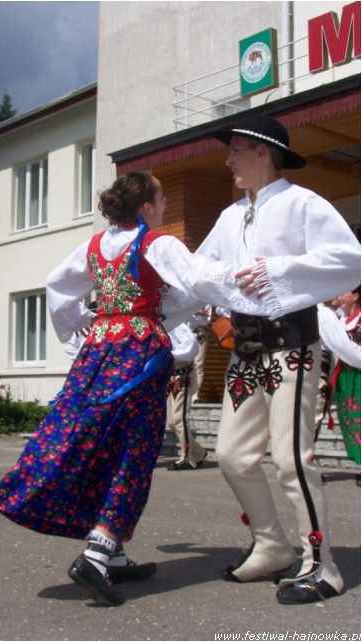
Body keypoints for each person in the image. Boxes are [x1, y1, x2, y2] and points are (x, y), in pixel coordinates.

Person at [0, 171, 268, 607]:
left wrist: (85, 326)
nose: (166, 204)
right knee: (133, 451)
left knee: (96, 440)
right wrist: (250, 279)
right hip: (138, 353)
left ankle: (113, 555)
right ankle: (97, 554)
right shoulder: (156, 243)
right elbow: (199, 278)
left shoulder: (94, 246)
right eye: (162, 197)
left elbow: (57, 285)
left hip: (99, 352)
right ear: (147, 207)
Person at [196, 115, 361, 604]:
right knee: (232, 454)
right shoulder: (231, 216)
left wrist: (279, 270)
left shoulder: (302, 203)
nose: (228, 159)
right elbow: (201, 269)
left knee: (291, 458)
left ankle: (323, 564)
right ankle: (270, 545)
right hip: (246, 351)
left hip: (292, 346)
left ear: (263, 151)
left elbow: (350, 259)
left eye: (236, 149)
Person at [166, 321, 207, 470]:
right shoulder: (167, 323)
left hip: (183, 375)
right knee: (171, 421)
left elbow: (188, 350)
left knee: (179, 419)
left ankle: (188, 457)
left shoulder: (182, 325)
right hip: (172, 376)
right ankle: (199, 452)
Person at [331, 287, 361, 465]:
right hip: (344, 374)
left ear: (356, 296)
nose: (340, 297)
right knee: (349, 417)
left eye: (344, 293)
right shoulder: (338, 320)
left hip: (359, 374)